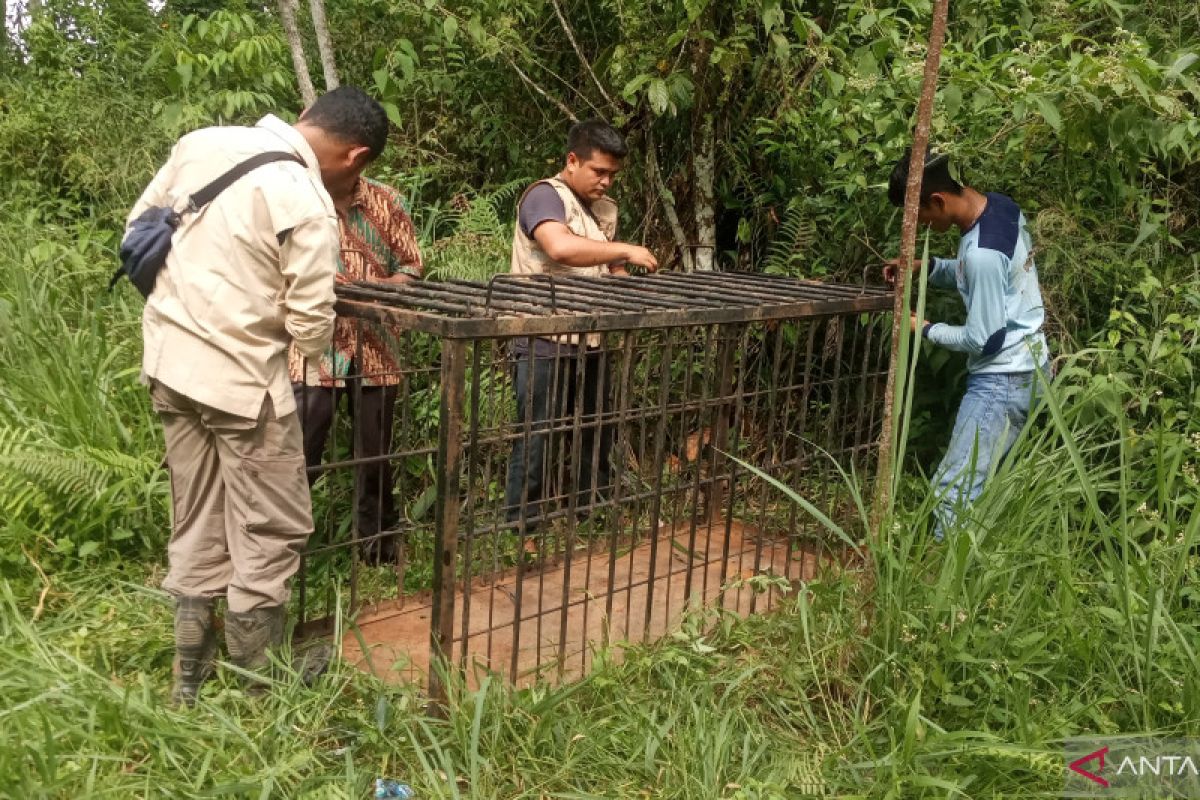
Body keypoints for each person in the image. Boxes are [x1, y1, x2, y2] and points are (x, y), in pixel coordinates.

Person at [128, 86, 389, 704]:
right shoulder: (305, 199)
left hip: (168, 365)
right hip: (242, 384)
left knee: (197, 512)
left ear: (305, 118)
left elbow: (140, 231)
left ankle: (189, 672)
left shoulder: (201, 144)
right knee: (272, 525)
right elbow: (309, 324)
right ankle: (256, 685)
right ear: (355, 157)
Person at [885, 149, 1050, 537]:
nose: (923, 225)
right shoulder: (1001, 210)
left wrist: (924, 328)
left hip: (1002, 379)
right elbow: (992, 281)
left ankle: (939, 585)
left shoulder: (981, 254)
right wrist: (927, 269)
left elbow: (985, 339)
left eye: (922, 215)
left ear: (938, 200)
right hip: (1030, 366)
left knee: (953, 489)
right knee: (978, 481)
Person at [505, 119, 658, 536]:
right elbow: (559, 246)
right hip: (544, 334)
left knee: (597, 427)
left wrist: (628, 280)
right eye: (599, 171)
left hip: (593, 335)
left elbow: (611, 266)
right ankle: (522, 526)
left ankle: (595, 512)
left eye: (613, 174)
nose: (607, 181)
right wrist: (626, 249)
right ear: (572, 160)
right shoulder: (544, 197)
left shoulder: (604, 210)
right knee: (537, 435)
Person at [287, 175, 423, 566]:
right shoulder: (298, 197)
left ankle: (378, 548)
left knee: (374, 453)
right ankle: (279, 547)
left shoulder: (388, 200)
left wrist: (372, 291)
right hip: (315, 345)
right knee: (298, 446)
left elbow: (411, 269)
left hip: (377, 343)